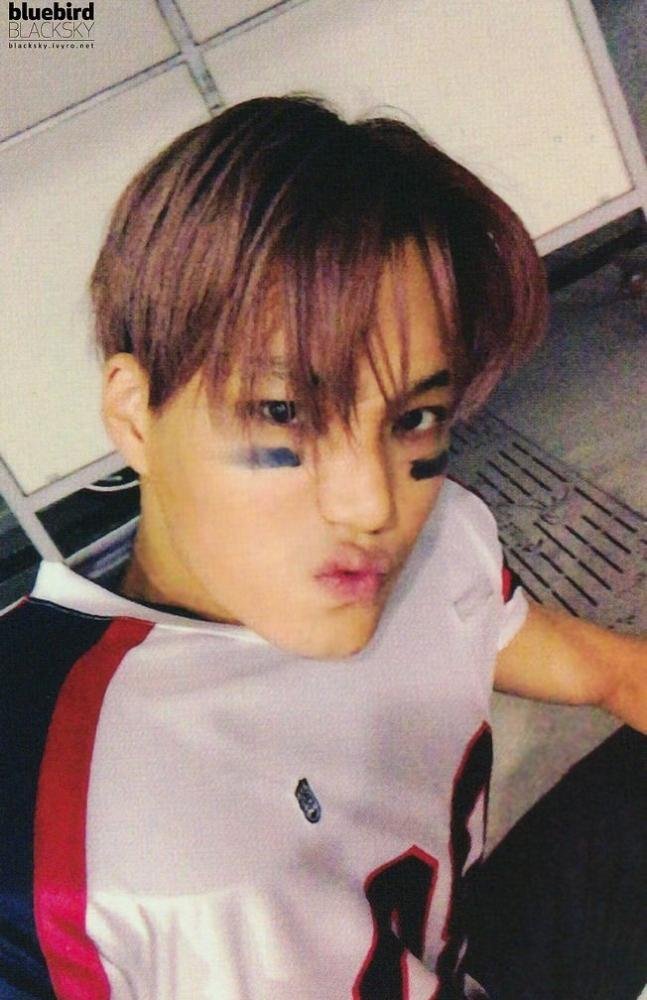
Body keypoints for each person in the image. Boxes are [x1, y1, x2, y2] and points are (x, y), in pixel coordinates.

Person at [0, 95, 644, 1000]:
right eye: (284, 413)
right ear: (135, 416)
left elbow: (595, 666)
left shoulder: (438, 543)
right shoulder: (48, 812)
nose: (372, 503)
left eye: (413, 417)